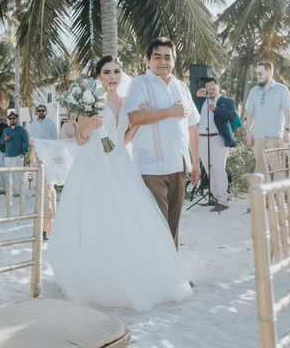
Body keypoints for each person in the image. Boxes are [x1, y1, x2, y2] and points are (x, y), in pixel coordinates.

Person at [47, 55, 192, 311]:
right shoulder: (88, 101)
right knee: (94, 220)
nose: (112, 77)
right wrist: (88, 126)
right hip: (92, 166)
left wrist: (133, 129)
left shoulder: (126, 103)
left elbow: (122, 140)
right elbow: (80, 141)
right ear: (98, 75)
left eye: (116, 72)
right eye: (107, 72)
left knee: (127, 219)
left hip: (120, 164)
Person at [125, 37, 201, 247]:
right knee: (157, 224)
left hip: (179, 164)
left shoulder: (181, 87)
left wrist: (196, 162)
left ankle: (173, 275)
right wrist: (170, 112)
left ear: (174, 60)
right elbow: (135, 117)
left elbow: (192, 127)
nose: (162, 62)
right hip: (150, 166)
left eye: (167, 57)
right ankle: (158, 276)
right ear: (148, 60)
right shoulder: (139, 83)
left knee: (173, 224)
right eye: (157, 57)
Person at [244, 61, 290, 180]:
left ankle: (280, 198)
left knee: (278, 171)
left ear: (269, 72)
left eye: (260, 73)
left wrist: (287, 130)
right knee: (260, 172)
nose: (258, 76)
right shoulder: (253, 91)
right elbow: (250, 113)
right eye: (257, 74)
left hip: (275, 136)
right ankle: (266, 199)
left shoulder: (282, 89)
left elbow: (288, 112)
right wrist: (248, 131)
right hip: (258, 137)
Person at [194, 77, 237, 212]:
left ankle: (223, 201)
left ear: (218, 86)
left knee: (219, 169)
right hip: (202, 139)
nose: (211, 90)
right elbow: (189, 108)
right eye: (208, 88)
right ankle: (214, 197)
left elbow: (232, 116)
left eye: (213, 87)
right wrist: (197, 95)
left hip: (218, 139)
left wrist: (216, 109)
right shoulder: (201, 101)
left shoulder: (226, 101)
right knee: (209, 170)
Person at [29, 105, 58, 240]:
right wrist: (34, 152)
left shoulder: (51, 124)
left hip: (49, 156)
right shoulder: (33, 124)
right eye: (39, 110)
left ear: (46, 112)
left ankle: (49, 229)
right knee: (44, 193)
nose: (41, 112)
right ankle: (44, 230)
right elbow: (33, 141)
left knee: (51, 191)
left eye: (43, 110)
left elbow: (55, 139)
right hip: (38, 157)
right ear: (36, 112)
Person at [2, 112, 29, 197]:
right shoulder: (6, 130)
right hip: (7, 156)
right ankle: (12, 191)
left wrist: (23, 152)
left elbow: (26, 142)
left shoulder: (21, 129)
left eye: (14, 118)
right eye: (10, 118)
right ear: (8, 120)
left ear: (17, 119)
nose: (12, 120)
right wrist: (5, 139)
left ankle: (19, 192)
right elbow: (1, 141)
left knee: (18, 174)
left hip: (18, 155)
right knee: (9, 174)